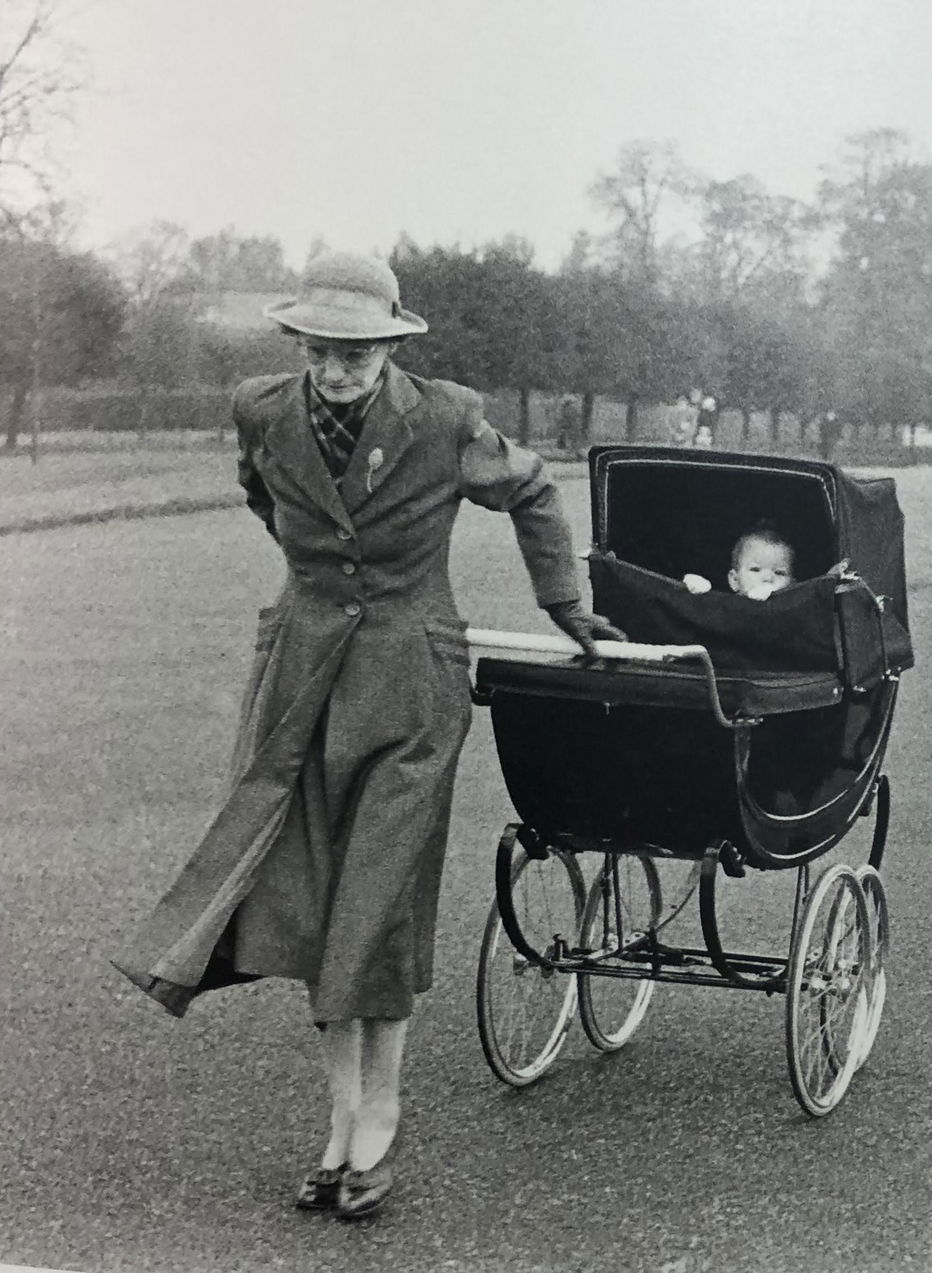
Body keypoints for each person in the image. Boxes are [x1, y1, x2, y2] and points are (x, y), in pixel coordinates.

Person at [113, 253, 622, 1219]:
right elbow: (263, 494)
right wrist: (315, 588)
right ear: (298, 341)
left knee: (376, 903)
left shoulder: (445, 418)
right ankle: (338, 1125)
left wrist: (566, 604)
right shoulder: (263, 409)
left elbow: (534, 489)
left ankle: (377, 1124)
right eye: (322, 347)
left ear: (392, 343)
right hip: (298, 680)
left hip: (410, 686)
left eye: (358, 350)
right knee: (306, 902)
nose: (339, 366)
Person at [682, 522, 796, 600]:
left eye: (779, 573)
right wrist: (695, 592)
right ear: (735, 580)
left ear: (792, 584)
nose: (768, 579)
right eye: (755, 569)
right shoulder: (722, 608)